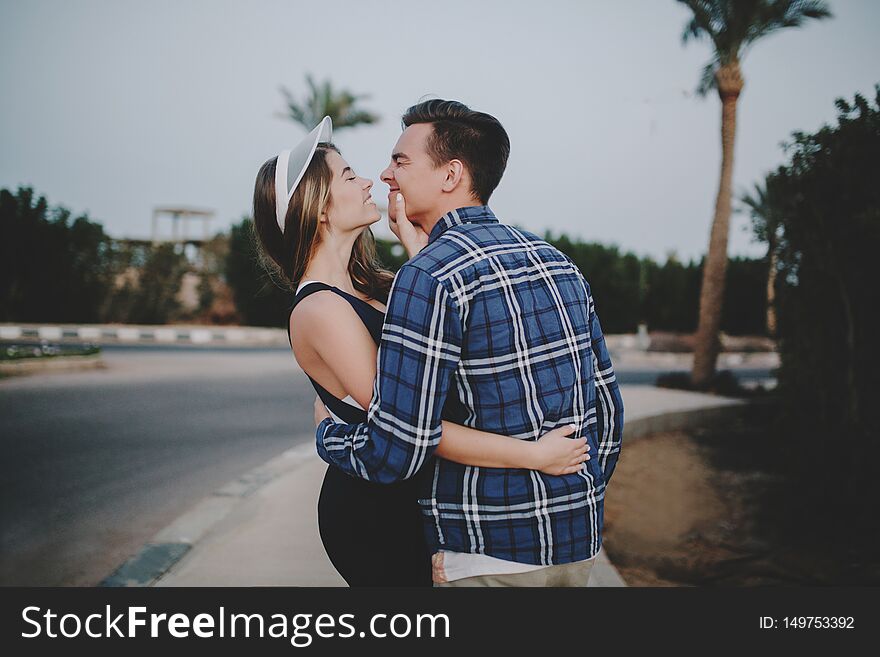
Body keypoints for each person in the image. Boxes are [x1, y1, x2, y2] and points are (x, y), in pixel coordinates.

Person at [252, 116, 591, 587]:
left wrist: (418, 250)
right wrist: (533, 456)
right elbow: (407, 425)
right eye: (349, 176)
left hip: (416, 499)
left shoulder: (381, 284)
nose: (370, 179)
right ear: (320, 208)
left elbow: (437, 324)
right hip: (374, 511)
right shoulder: (319, 309)